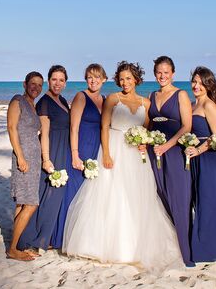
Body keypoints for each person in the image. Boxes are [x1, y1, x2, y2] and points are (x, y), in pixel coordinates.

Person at [63, 61, 183, 271]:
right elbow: (104, 127)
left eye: (129, 78)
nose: (125, 82)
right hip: (115, 150)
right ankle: (106, 246)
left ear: (136, 79)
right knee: (111, 194)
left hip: (136, 155)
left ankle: (134, 246)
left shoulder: (146, 103)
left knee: (136, 196)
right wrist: (107, 154)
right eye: (122, 79)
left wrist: (144, 142)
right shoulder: (112, 99)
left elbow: (146, 128)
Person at [146, 56, 194, 266]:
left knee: (179, 198)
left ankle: (186, 252)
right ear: (155, 73)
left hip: (173, 152)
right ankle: (168, 248)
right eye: (159, 72)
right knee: (159, 195)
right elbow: (148, 125)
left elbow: (187, 126)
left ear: (173, 73)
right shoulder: (151, 94)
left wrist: (168, 145)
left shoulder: (181, 94)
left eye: (166, 72)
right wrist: (144, 142)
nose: (162, 76)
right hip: (153, 151)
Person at [18, 65, 71, 251]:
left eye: (61, 80)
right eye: (54, 79)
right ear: (49, 81)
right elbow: (45, 133)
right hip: (52, 150)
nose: (57, 83)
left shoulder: (62, 100)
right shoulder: (45, 102)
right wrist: (46, 159)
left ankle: (48, 236)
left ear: (65, 83)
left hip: (63, 148)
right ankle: (35, 238)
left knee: (56, 195)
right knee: (48, 194)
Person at [183, 66, 216, 262]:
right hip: (193, 159)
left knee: (210, 201)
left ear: (208, 85)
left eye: (201, 83)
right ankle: (198, 245)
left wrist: (198, 150)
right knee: (195, 202)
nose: (196, 86)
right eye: (194, 81)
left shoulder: (209, 106)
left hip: (208, 159)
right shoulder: (191, 106)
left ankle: (214, 250)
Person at [6, 71, 44, 261]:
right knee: (31, 203)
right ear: (25, 83)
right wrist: (20, 157)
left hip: (34, 158)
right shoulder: (18, 100)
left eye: (39, 85)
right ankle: (13, 249)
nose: (35, 87)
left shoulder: (33, 105)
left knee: (22, 203)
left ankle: (17, 245)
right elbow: (11, 128)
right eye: (33, 83)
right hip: (24, 158)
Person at [62, 64, 106, 223]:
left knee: (88, 195)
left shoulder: (105, 100)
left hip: (96, 150)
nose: (93, 81)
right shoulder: (81, 97)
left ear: (104, 80)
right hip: (80, 149)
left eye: (97, 77)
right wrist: (75, 155)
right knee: (74, 192)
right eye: (90, 77)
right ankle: (64, 236)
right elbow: (73, 128)